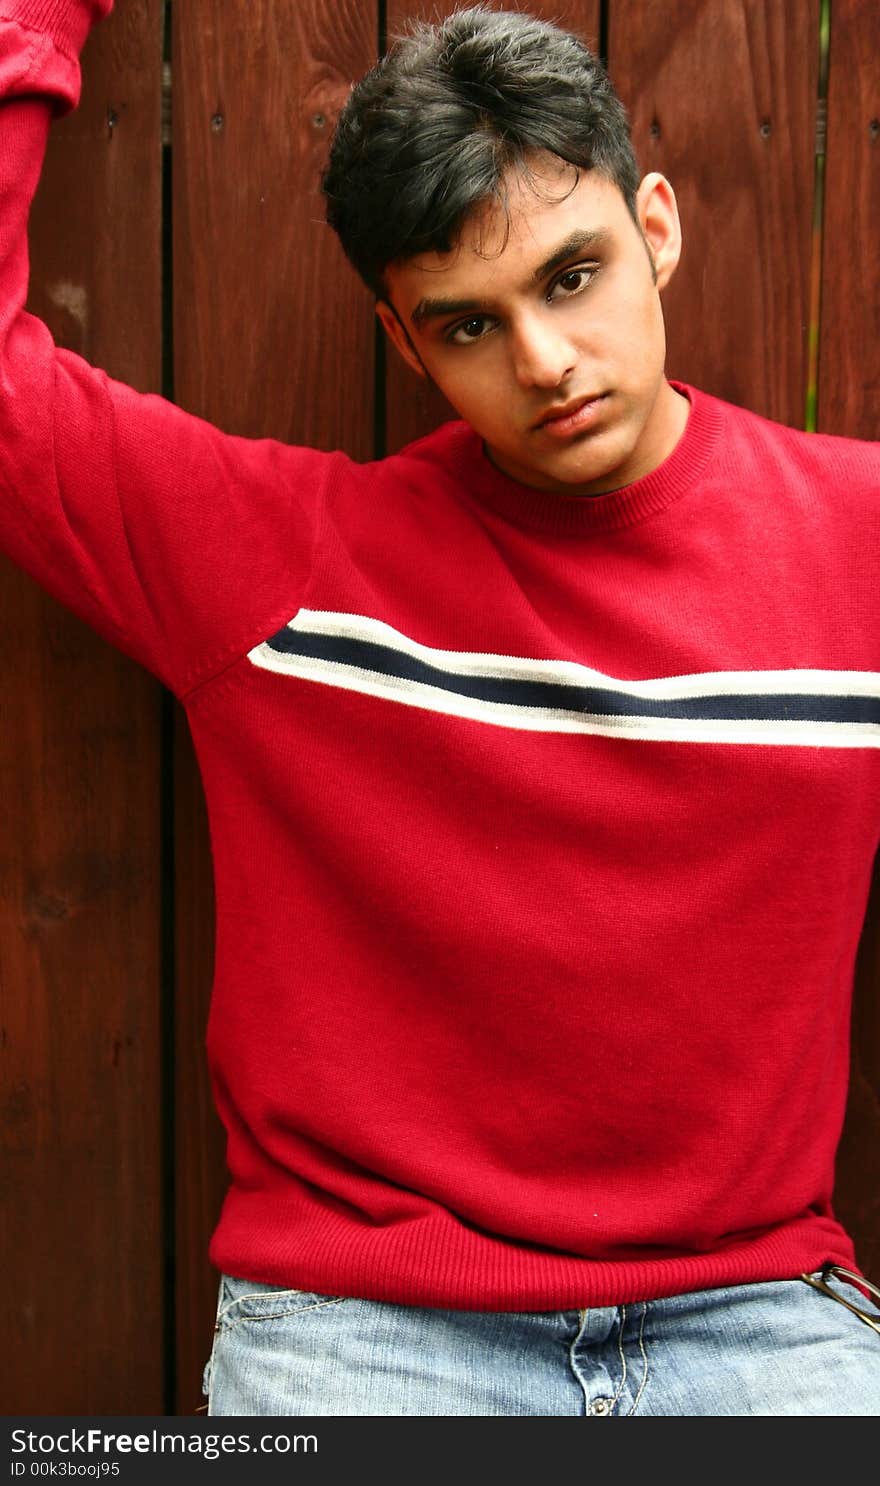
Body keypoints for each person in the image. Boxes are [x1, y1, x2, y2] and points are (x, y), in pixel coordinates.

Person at [1, 0, 879, 1418]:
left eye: (573, 273)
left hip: (755, 1319)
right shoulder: (279, 566)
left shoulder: (860, 543)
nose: (543, 360)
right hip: (368, 1328)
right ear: (404, 346)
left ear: (656, 225)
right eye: (472, 323)